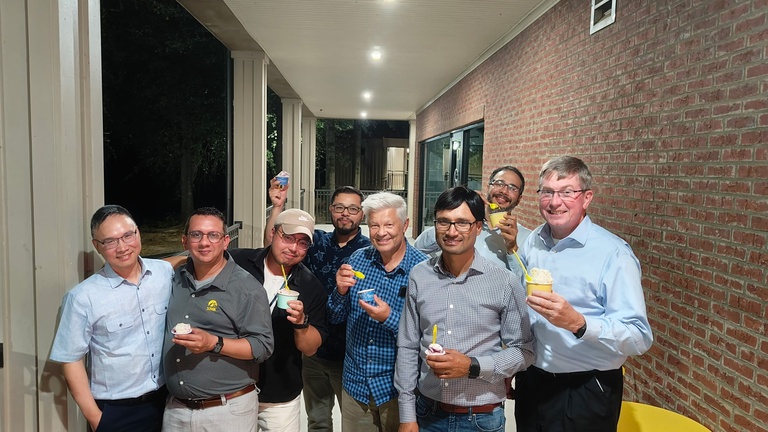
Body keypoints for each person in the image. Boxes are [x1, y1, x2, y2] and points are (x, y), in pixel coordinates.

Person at [513, 156, 653, 432]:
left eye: (567, 192)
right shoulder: (534, 242)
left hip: (586, 389)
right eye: (547, 192)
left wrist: (578, 322)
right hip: (532, 382)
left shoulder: (613, 254)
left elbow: (639, 337)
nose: (555, 202)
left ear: (586, 198)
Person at [395, 186, 535, 432]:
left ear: (478, 227)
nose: (451, 232)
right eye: (444, 222)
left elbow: (524, 351)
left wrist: (473, 365)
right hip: (427, 412)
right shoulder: (420, 275)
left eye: (462, 223)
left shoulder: (503, 281)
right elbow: (407, 345)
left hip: (481, 418)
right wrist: (407, 415)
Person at [50, 205, 173, 432]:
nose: (122, 247)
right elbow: (71, 359)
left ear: (138, 233)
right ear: (97, 246)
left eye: (128, 235)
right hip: (118, 411)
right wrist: (98, 420)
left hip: (168, 401)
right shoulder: (82, 298)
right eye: (110, 241)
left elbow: (179, 264)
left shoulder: (164, 273)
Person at [264, 183, 372, 432]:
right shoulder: (316, 243)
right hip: (312, 351)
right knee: (317, 421)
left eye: (353, 208)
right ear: (331, 210)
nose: (345, 213)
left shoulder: (369, 252)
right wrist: (277, 206)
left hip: (350, 356)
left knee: (354, 424)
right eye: (339, 207)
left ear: (362, 215)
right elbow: (276, 246)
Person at [162, 207, 274, 432]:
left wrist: (214, 343)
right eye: (196, 235)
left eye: (213, 235)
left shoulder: (246, 288)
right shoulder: (173, 278)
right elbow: (141, 269)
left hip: (227, 411)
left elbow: (263, 347)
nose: (204, 242)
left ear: (225, 241)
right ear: (185, 241)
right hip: (176, 411)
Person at [328, 192, 428, 432]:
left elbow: (429, 335)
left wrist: (390, 318)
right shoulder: (358, 259)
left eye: (388, 224)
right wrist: (340, 291)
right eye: (374, 225)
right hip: (355, 385)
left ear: (405, 225)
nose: (381, 232)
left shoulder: (423, 270)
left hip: (398, 389)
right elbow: (335, 317)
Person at [229, 208, 329, 432]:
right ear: (273, 233)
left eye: (303, 243)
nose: (294, 248)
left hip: (279, 393)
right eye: (288, 238)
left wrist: (301, 323)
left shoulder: (311, 287)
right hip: (232, 387)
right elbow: (197, 263)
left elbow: (311, 348)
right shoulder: (238, 262)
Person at [414, 166, 532, 269]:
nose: (504, 191)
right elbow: (419, 249)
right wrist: (458, 215)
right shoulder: (466, 224)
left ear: (519, 199)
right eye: (499, 183)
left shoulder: (526, 238)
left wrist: (512, 249)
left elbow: (525, 282)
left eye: (512, 188)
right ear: (488, 187)